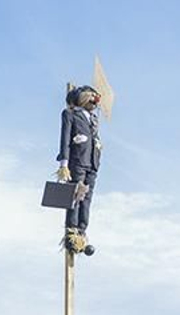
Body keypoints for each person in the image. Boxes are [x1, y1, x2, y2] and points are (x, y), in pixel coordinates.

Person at [56, 84, 102, 255]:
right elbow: (65, 139)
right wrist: (64, 164)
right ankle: (72, 231)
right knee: (76, 196)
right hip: (78, 161)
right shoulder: (70, 114)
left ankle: (82, 231)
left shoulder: (93, 119)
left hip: (92, 163)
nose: (94, 100)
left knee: (87, 199)